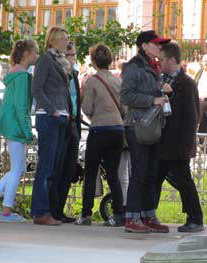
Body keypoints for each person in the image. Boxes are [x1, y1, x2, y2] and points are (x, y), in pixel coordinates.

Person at [0, 39, 39, 222]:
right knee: (17, 170)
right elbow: (22, 106)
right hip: (16, 126)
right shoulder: (23, 78)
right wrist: (27, 130)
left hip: (10, 125)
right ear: (27, 55)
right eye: (36, 53)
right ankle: (6, 210)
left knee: (17, 168)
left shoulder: (15, 75)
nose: (38, 56)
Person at [121, 30, 170, 233]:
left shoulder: (153, 67)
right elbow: (126, 96)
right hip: (137, 125)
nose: (160, 47)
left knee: (151, 172)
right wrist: (153, 99)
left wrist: (163, 91)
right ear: (143, 46)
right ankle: (132, 217)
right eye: (156, 44)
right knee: (140, 171)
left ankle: (148, 215)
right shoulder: (134, 67)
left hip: (151, 125)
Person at [155, 42, 204, 232]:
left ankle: (195, 218)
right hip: (164, 143)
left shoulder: (186, 84)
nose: (159, 63)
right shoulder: (166, 81)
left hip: (178, 145)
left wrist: (185, 146)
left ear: (172, 60)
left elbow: (192, 117)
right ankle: (149, 214)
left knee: (184, 181)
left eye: (162, 60)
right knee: (156, 178)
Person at [78, 43, 125, 226]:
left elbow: (87, 107)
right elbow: (124, 108)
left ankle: (86, 214)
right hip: (117, 130)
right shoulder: (118, 81)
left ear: (93, 61)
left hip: (99, 130)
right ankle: (118, 213)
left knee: (90, 172)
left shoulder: (92, 81)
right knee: (113, 174)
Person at [31, 26, 70, 226]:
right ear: (53, 40)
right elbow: (37, 89)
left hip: (60, 116)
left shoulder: (60, 61)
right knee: (46, 167)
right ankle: (40, 212)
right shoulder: (46, 60)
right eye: (63, 39)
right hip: (49, 117)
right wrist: (53, 110)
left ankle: (47, 211)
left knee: (53, 166)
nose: (67, 42)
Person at [54, 42, 82, 223]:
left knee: (69, 169)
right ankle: (52, 210)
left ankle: (60, 210)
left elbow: (77, 102)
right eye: (70, 55)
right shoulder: (60, 76)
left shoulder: (75, 76)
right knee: (58, 168)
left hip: (73, 125)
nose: (73, 59)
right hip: (62, 123)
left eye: (74, 55)